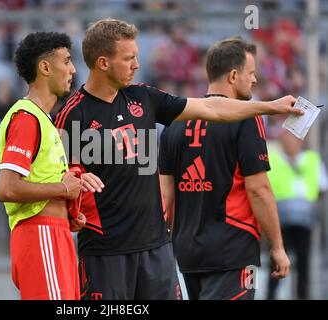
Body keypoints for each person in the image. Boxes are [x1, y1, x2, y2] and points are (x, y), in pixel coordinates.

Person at [54, 19, 300, 300]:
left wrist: (270, 107)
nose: (136, 64)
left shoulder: (144, 98)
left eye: (136, 56)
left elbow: (210, 106)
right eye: (129, 58)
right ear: (103, 63)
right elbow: (58, 178)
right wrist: (71, 181)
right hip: (105, 253)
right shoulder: (73, 115)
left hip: (157, 250)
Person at [158, 37, 291, 300]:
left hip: (188, 252)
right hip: (233, 251)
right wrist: (277, 246)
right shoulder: (246, 118)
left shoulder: (175, 123)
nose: (254, 80)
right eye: (251, 73)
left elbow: (164, 197)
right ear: (233, 75)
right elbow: (259, 190)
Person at [0, 32, 101, 300]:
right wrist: (64, 188)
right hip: (39, 233)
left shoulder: (43, 120)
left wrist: (66, 212)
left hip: (54, 232)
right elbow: (6, 188)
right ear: (45, 67)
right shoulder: (26, 118)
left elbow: (39, 181)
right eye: (66, 61)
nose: (73, 69)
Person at [266, 130, 327, 299]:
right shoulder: (275, 160)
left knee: (303, 263)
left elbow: (321, 186)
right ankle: (271, 295)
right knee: (277, 262)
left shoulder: (312, 160)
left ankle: (303, 295)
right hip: (280, 221)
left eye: (294, 140)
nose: (291, 143)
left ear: (301, 143)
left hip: (304, 221)